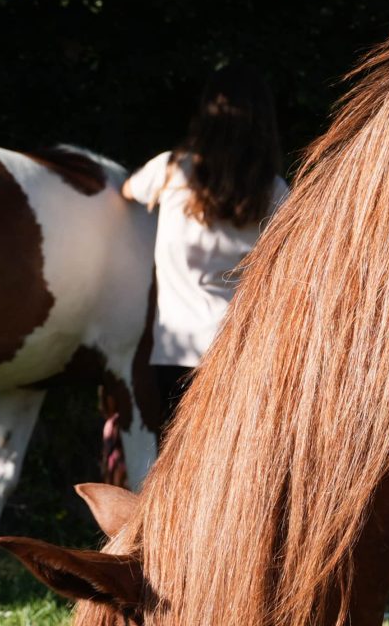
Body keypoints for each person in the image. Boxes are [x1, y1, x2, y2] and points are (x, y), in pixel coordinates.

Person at [122, 65, 287, 428]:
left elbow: (127, 191)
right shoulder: (275, 192)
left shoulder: (170, 171)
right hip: (241, 355)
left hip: (175, 352)